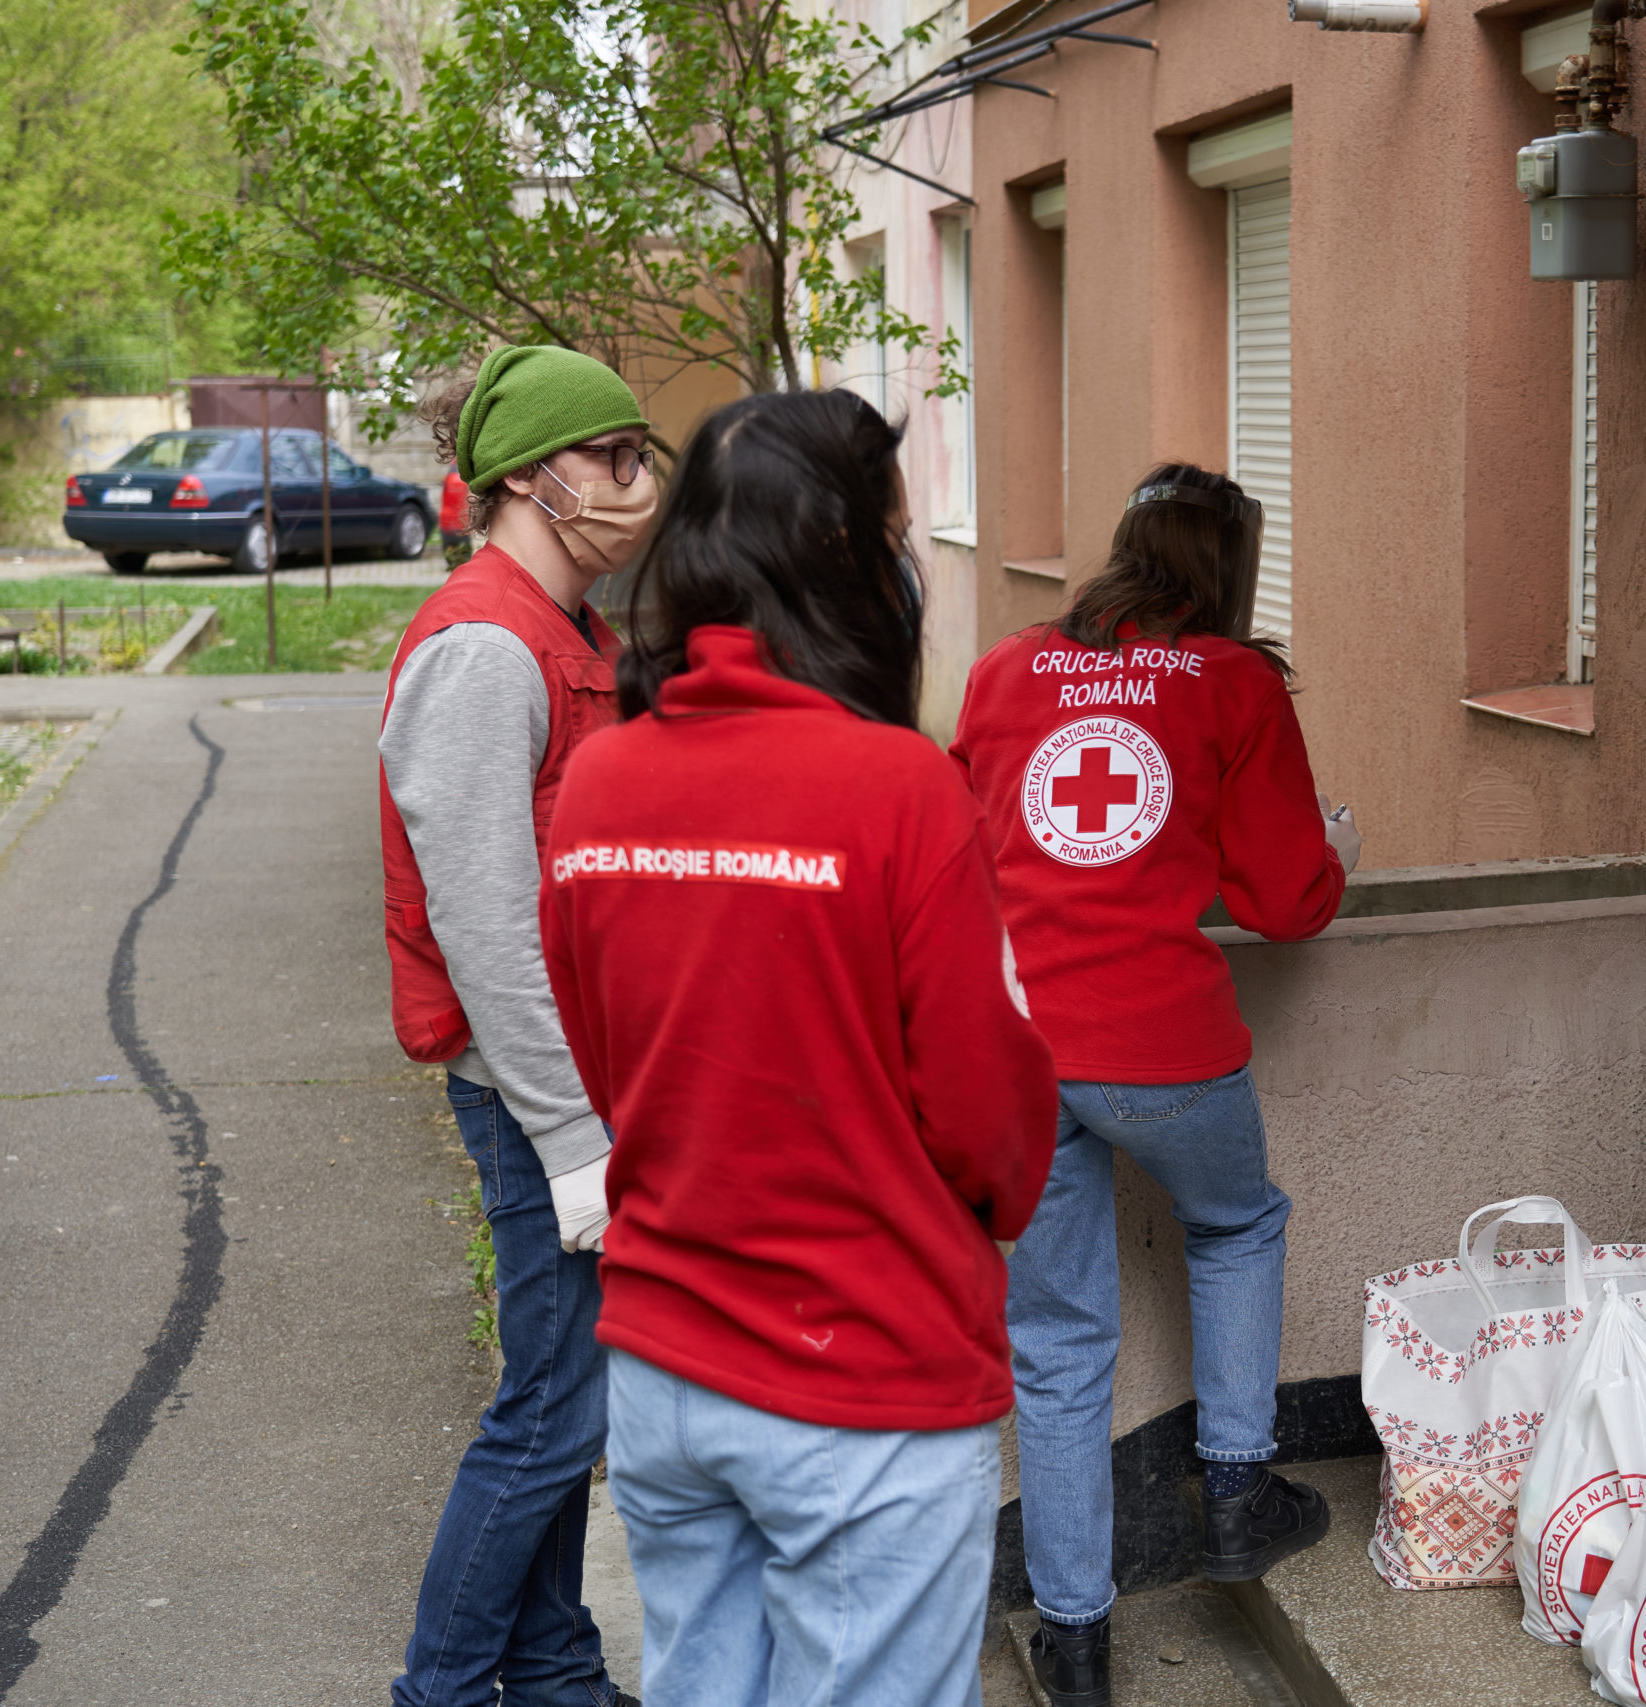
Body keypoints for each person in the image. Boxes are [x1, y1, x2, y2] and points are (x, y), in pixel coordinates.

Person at [537, 388, 1058, 1707]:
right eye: (896, 533)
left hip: (663, 1370)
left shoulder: (601, 778)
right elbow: (989, 1122)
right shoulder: (899, 789)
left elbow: (610, 1059)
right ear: (846, 557)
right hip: (864, 1374)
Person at [951, 464, 1361, 1707]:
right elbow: (1287, 904)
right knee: (1235, 1223)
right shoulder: (1235, 684)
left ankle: (1075, 1642)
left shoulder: (1008, 669)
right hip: (1161, 1048)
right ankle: (1237, 1490)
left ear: (1125, 549)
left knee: (1060, 1344)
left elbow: (960, 853)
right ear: (1228, 568)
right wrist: (1333, 852)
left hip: (1020, 1054)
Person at [382, 344, 656, 1707]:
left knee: (568, 1403)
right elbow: (483, 921)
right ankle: (442, 1686)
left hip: (576, 1087)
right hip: (532, 1093)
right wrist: (572, 1139)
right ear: (538, 477)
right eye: (616, 457)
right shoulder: (488, 647)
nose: (638, 480)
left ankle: (552, 1665)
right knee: (552, 1410)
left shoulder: (571, 636)